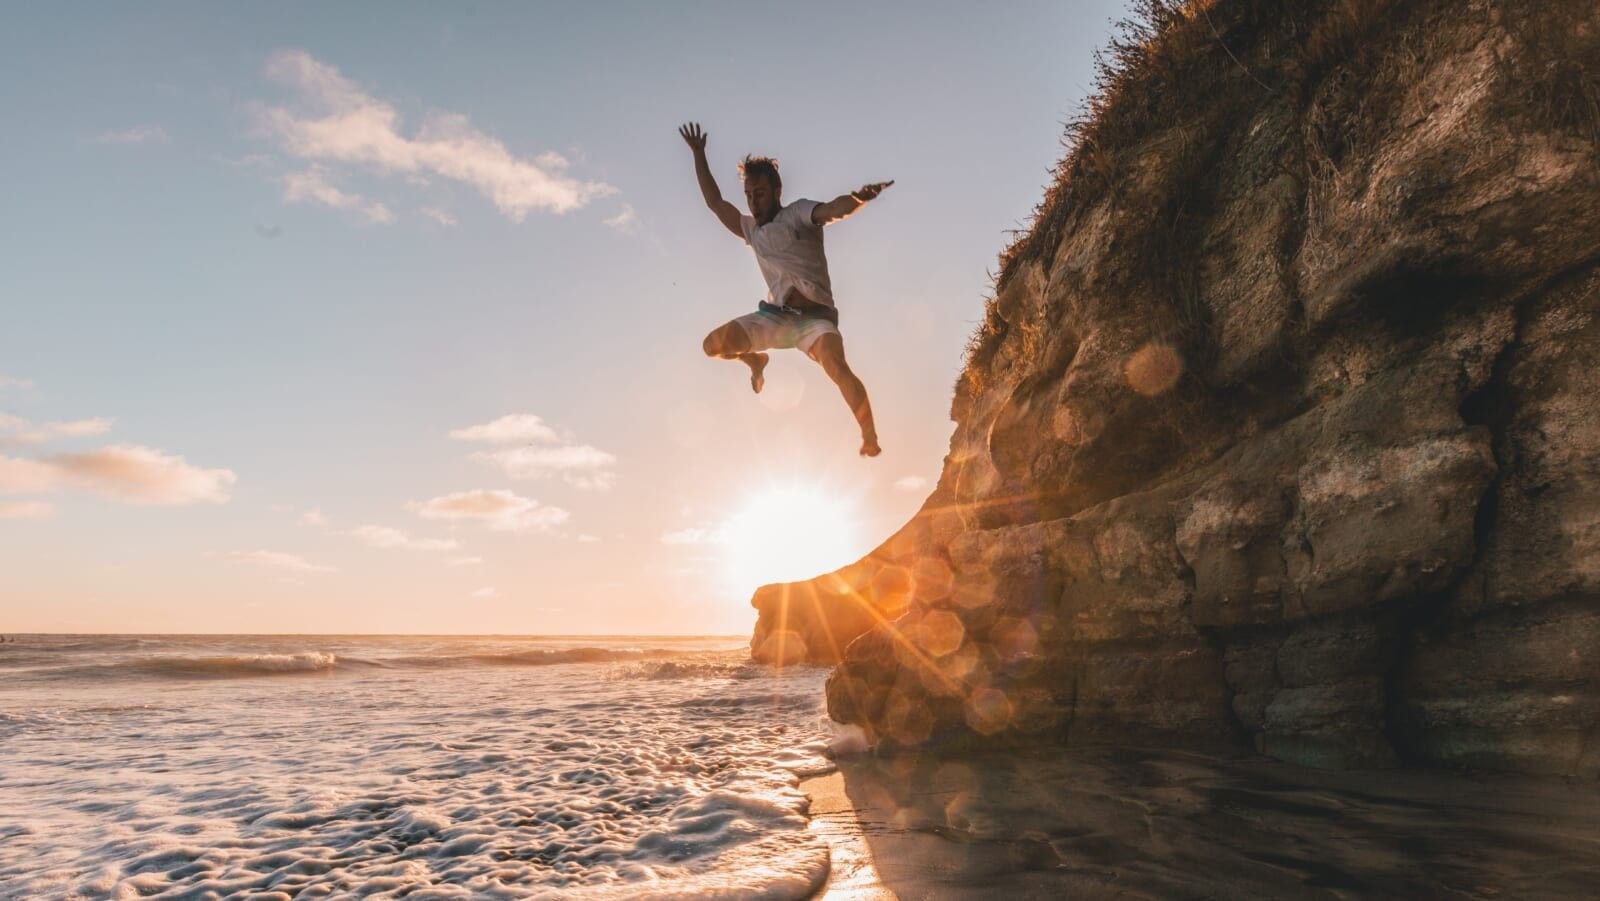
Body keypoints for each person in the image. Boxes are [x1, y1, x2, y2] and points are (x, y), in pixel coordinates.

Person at [678, 121, 891, 457]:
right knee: (711, 345)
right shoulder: (750, 230)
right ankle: (755, 361)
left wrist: (857, 198)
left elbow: (833, 210)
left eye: (759, 193)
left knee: (837, 367)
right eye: (748, 195)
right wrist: (699, 154)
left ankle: (869, 436)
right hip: (776, 319)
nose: (753, 202)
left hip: (815, 319)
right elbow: (716, 202)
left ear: (776, 191)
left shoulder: (798, 213)